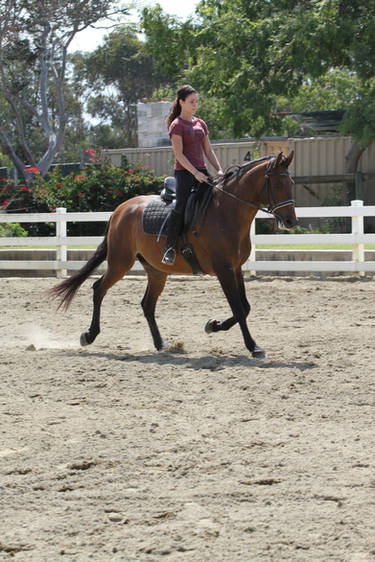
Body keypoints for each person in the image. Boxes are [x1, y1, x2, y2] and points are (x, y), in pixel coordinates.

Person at [161, 84, 223, 265]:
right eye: (191, 101)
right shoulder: (176, 125)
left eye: (196, 101)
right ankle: (169, 247)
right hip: (184, 173)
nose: (195, 104)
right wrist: (195, 173)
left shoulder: (200, 123)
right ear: (181, 102)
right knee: (180, 205)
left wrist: (218, 169)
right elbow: (179, 155)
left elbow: (209, 150)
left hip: (202, 171)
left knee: (216, 201)